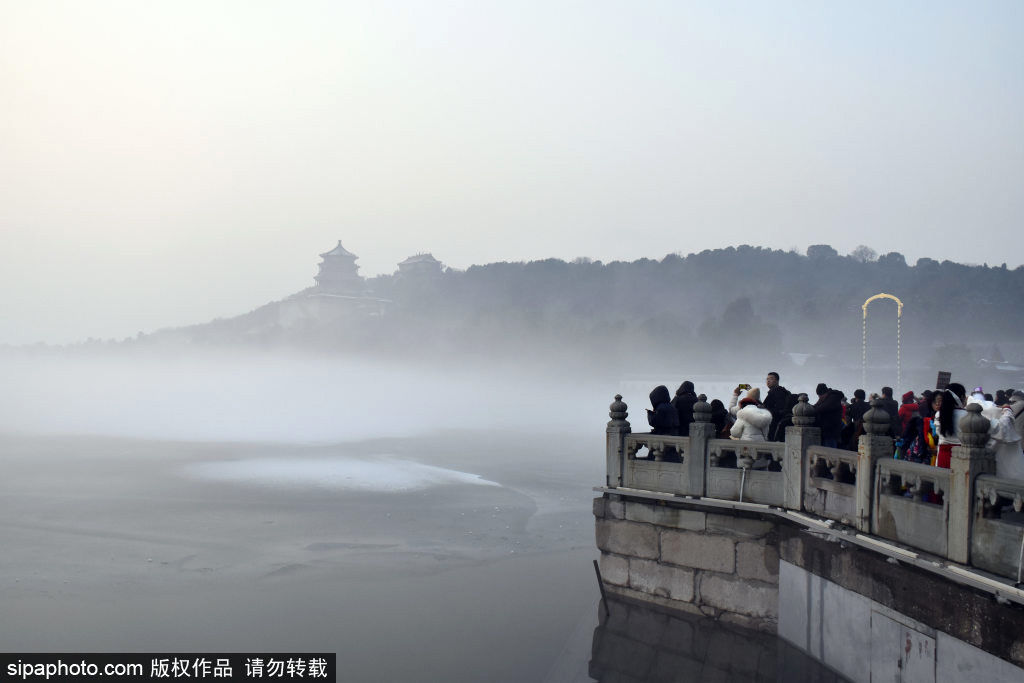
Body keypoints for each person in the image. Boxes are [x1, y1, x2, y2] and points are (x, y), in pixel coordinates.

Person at [935, 383, 968, 468]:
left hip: (943, 456)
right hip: (962, 457)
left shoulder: (939, 414)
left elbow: (938, 433)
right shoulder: (968, 415)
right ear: (961, 397)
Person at [762, 372, 791, 443]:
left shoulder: (778, 392)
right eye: (767, 379)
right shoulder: (780, 392)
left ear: (777, 381)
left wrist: (765, 409)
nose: (768, 381)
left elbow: (780, 409)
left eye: (771, 379)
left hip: (775, 425)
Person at [814, 383, 844, 448]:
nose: (819, 397)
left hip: (831, 431)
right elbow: (816, 407)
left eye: (819, 395)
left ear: (824, 393)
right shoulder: (827, 398)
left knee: (830, 453)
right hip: (826, 431)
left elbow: (821, 408)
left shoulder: (833, 398)